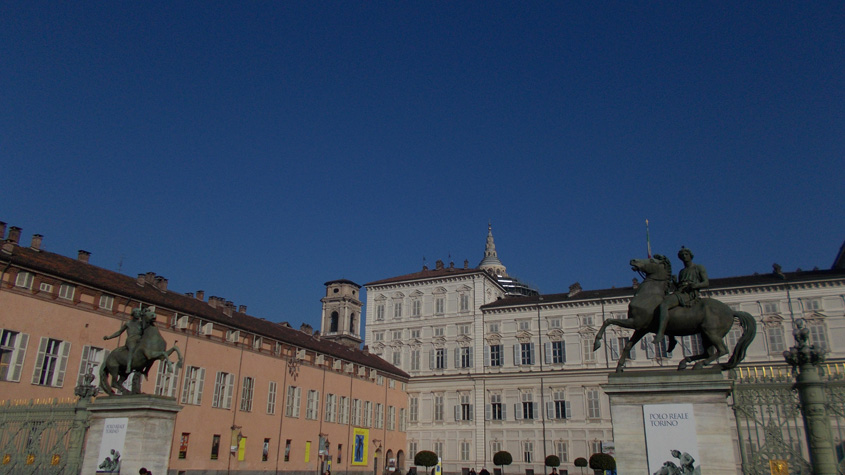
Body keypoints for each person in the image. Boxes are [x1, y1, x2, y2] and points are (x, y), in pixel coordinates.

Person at [655, 247, 709, 343]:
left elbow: (706, 282)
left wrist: (696, 285)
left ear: (690, 255)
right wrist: (675, 283)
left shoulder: (698, 267)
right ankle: (671, 337)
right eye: (682, 255)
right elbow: (679, 286)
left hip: (689, 294)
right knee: (664, 306)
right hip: (680, 292)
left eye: (686, 254)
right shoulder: (682, 271)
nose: (684, 256)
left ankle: (660, 334)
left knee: (664, 305)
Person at [103, 307, 149, 373]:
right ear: (133, 314)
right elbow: (119, 332)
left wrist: (145, 313)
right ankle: (128, 366)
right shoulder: (128, 323)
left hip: (139, 339)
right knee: (132, 348)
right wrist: (109, 337)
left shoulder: (141, 323)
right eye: (136, 313)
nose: (138, 314)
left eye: (139, 313)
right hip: (131, 340)